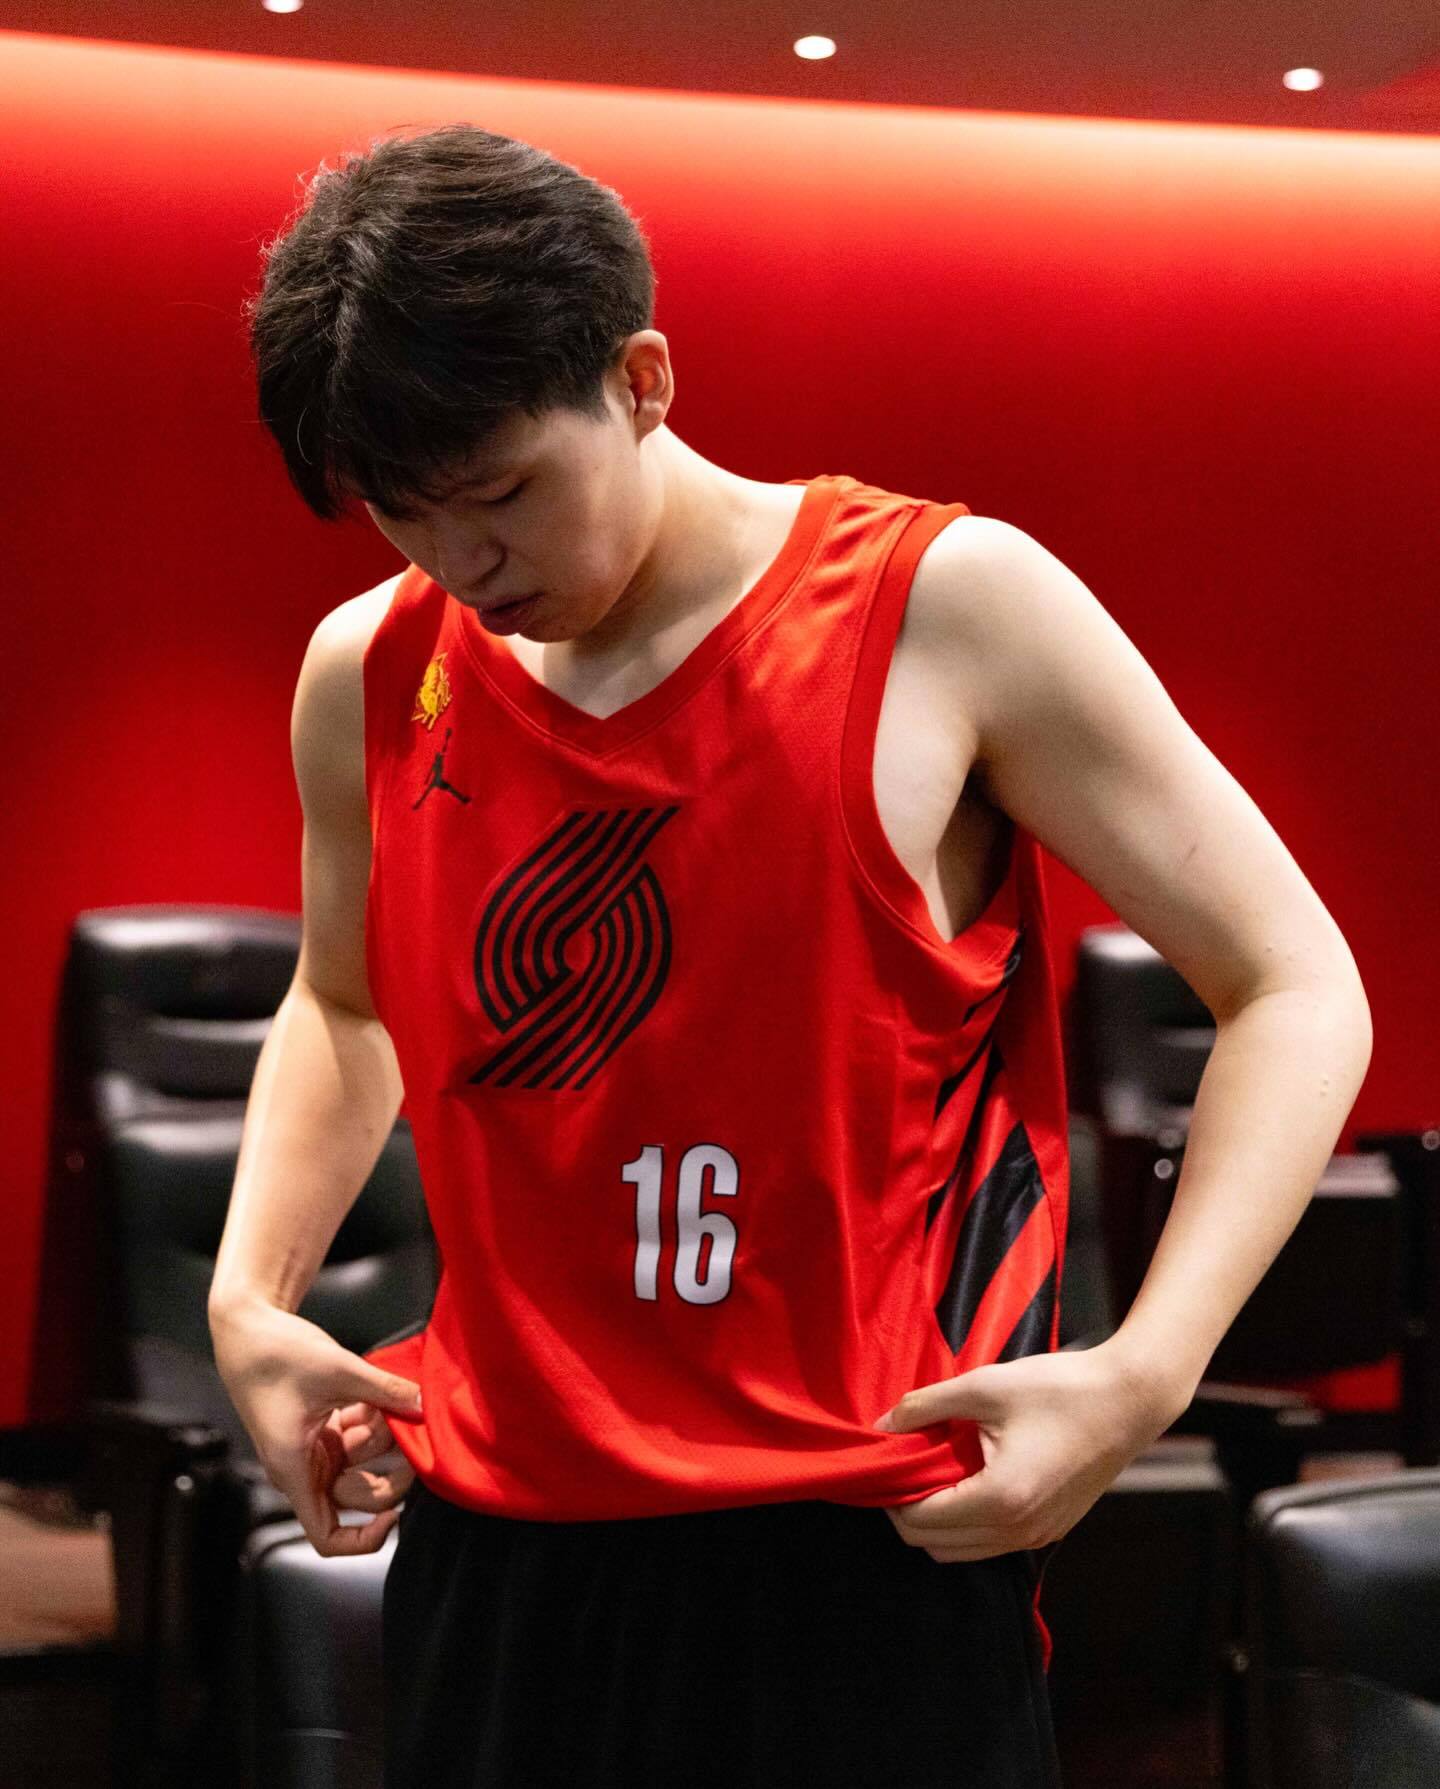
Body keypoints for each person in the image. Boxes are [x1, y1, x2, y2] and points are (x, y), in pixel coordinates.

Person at [209, 123, 1373, 1788]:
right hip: (504, 1546)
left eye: (503, 493)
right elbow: (341, 1003)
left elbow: (1293, 983)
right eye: (407, 514)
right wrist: (247, 1296)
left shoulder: (944, 608)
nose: (464, 563)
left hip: (859, 1544)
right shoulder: (374, 673)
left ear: (642, 380)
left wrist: (1147, 1371)